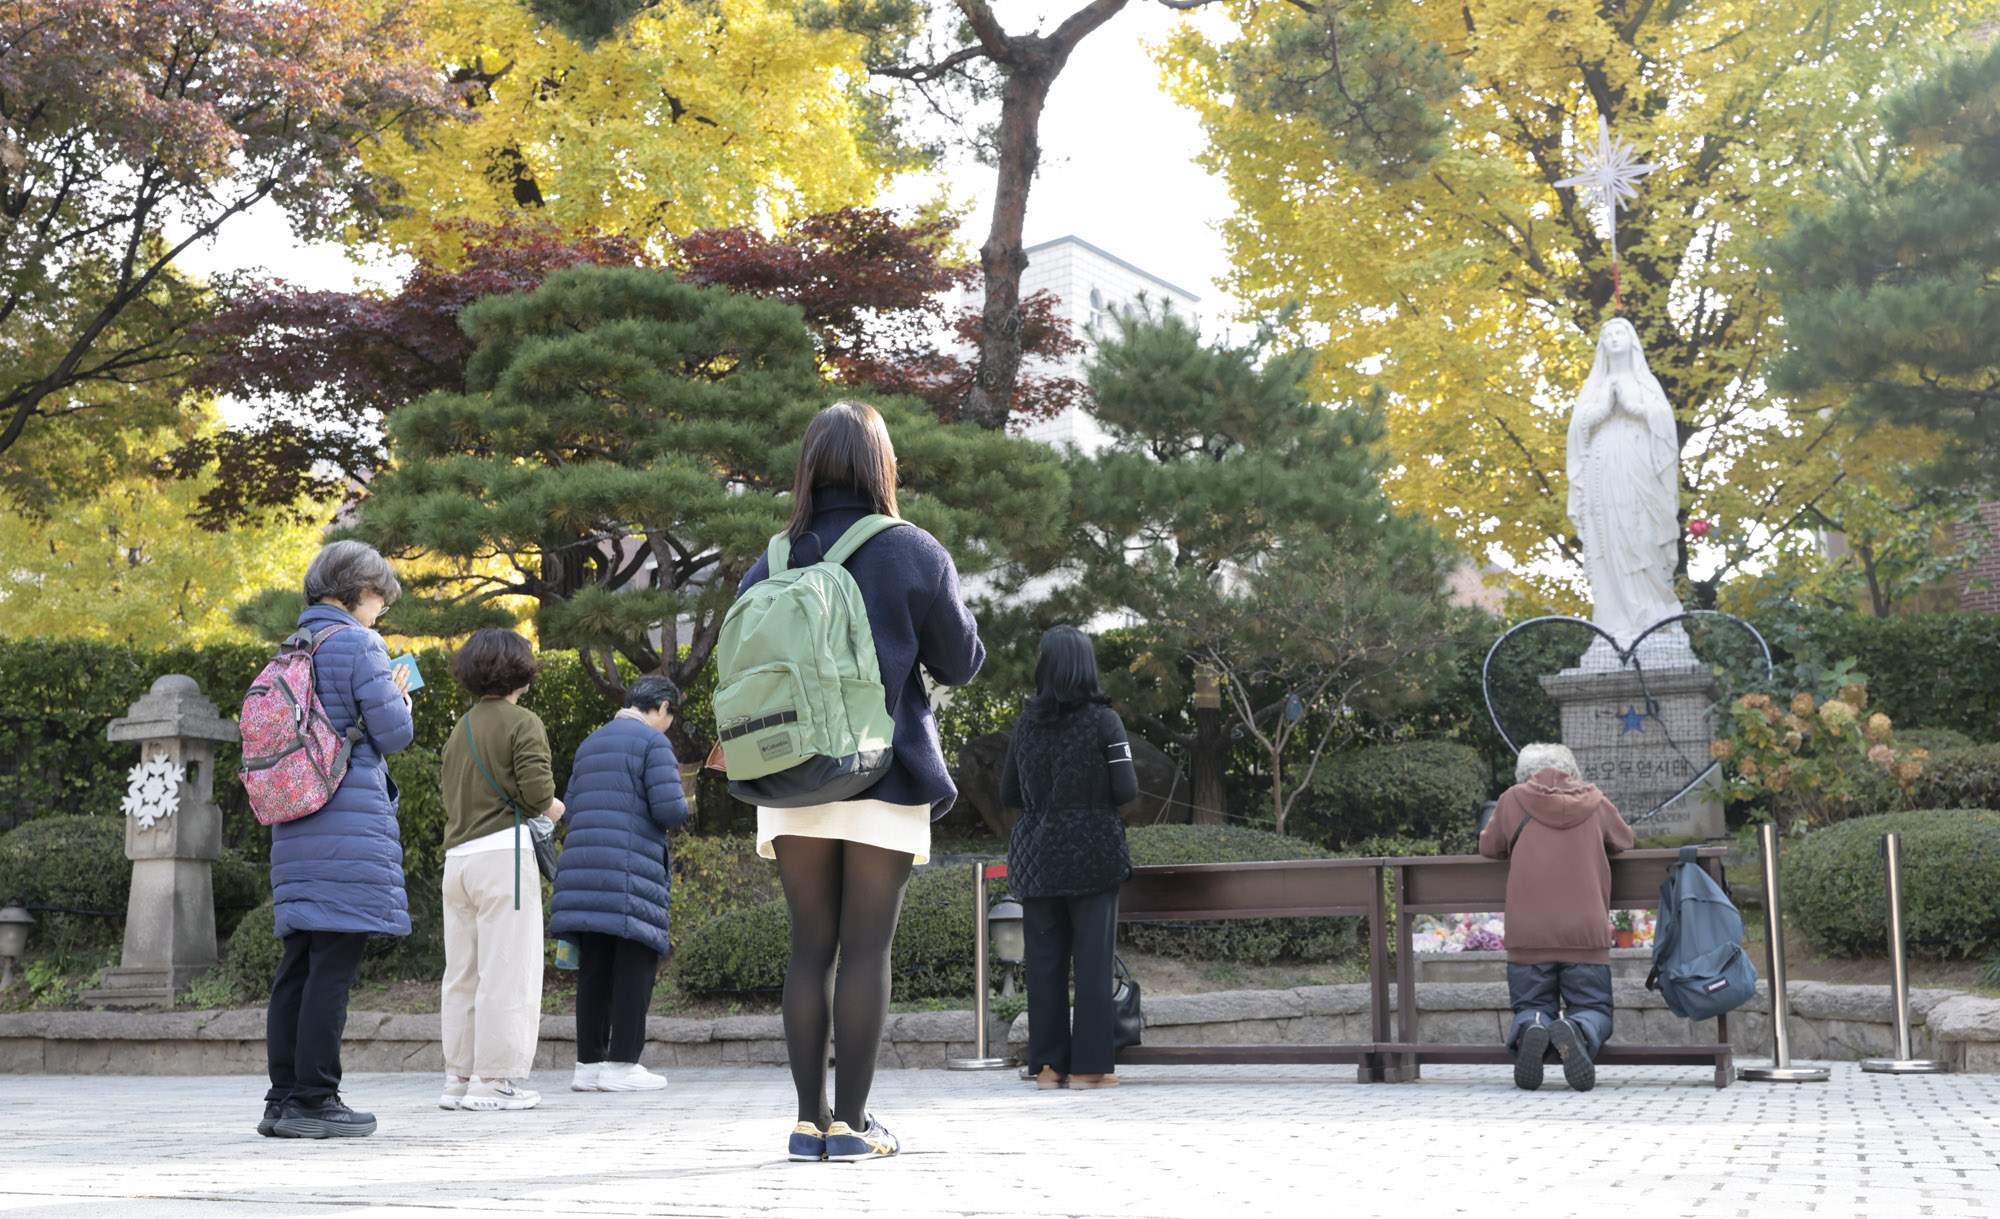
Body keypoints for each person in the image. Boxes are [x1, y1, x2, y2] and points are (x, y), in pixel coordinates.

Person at [735, 400, 985, 1163]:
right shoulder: (909, 549)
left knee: (809, 948)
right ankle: (854, 1124)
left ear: (808, 465)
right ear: (883, 466)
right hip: (883, 772)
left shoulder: (776, 556)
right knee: (866, 948)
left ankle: (806, 1123)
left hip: (789, 773)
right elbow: (962, 660)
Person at [262, 541, 415, 1140]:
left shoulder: (292, 647)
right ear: (359, 590)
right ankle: (316, 1099)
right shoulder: (356, 642)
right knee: (334, 965)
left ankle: (283, 1098)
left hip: (297, 818)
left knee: (299, 964)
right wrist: (400, 694)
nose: (381, 610)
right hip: (345, 822)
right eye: (379, 597)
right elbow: (392, 732)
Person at [1001, 626, 1139, 1091]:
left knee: (1044, 965)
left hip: (1036, 854)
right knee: (1093, 963)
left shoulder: (1024, 723)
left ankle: (1048, 1068)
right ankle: (1090, 1069)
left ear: (1046, 667)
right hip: (1093, 852)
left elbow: (1008, 793)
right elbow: (1127, 790)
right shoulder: (1104, 722)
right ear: (1086, 666)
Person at [437, 628, 564, 1113]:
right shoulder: (522, 721)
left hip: (459, 861)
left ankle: (459, 1078)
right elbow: (535, 794)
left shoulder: (459, 727)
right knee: (507, 971)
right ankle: (493, 1081)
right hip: (502, 857)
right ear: (521, 671)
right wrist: (553, 809)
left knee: (463, 974)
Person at [548, 674, 691, 1093]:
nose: (669, 723)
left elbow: (572, 809)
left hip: (584, 868)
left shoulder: (592, 741)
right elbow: (668, 810)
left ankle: (589, 1065)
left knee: (594, 967)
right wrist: (688, 800)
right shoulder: (652, 743)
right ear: (661, 707)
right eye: (671, 715)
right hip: (629, 873)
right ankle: (623, 1065)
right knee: (635, 963)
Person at [1478, 742, 1635, 1092]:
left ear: (1523, 775)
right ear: (1573, 772)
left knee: (1531, 1004)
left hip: (1529, 932)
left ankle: (1534, 1025)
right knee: (1594, 1007)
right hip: (1585, 931)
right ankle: (1578, 1029)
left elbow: (1488, 846)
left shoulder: (1511, 800)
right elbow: (1625, 839)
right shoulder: (1594, 800)